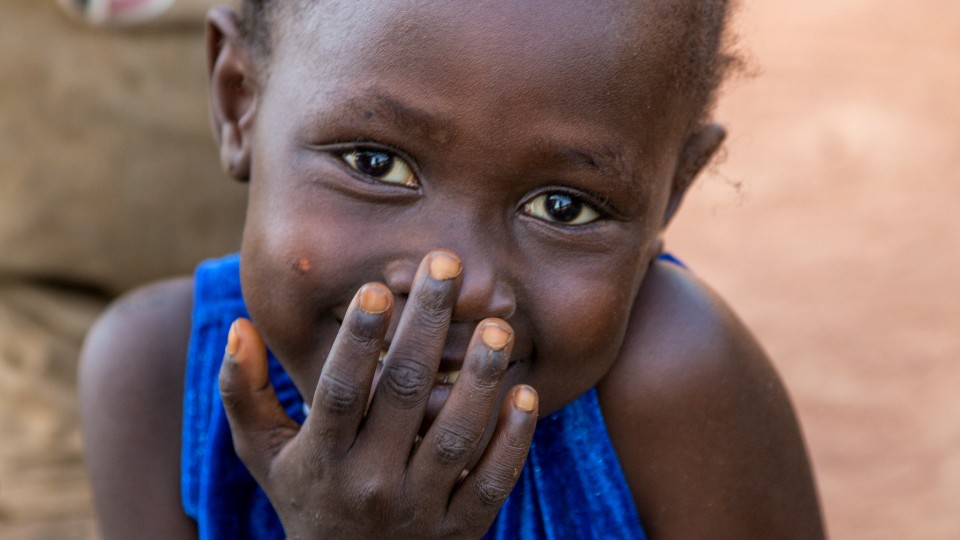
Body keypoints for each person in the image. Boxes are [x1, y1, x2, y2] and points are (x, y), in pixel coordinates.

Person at [79, 0, 826, 538]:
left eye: (564, 208)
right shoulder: (156, 383)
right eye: (376, 163)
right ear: (239, 100)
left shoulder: (677, 388)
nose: (456, 277)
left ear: (670, 195)